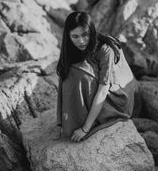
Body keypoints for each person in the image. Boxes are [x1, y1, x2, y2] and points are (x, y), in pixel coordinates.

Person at [56, 11, 138, 142]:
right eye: (75, 36)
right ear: (68, 36)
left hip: (117, 98)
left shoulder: (105, 49)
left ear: (91, 31)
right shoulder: (71, 48)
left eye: (85, 35)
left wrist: (85, 128)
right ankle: (68, 120)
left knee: (81, 74)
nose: (81, 41)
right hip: (101, 91)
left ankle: (86, 121)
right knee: (66, 69)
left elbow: (102, 90)